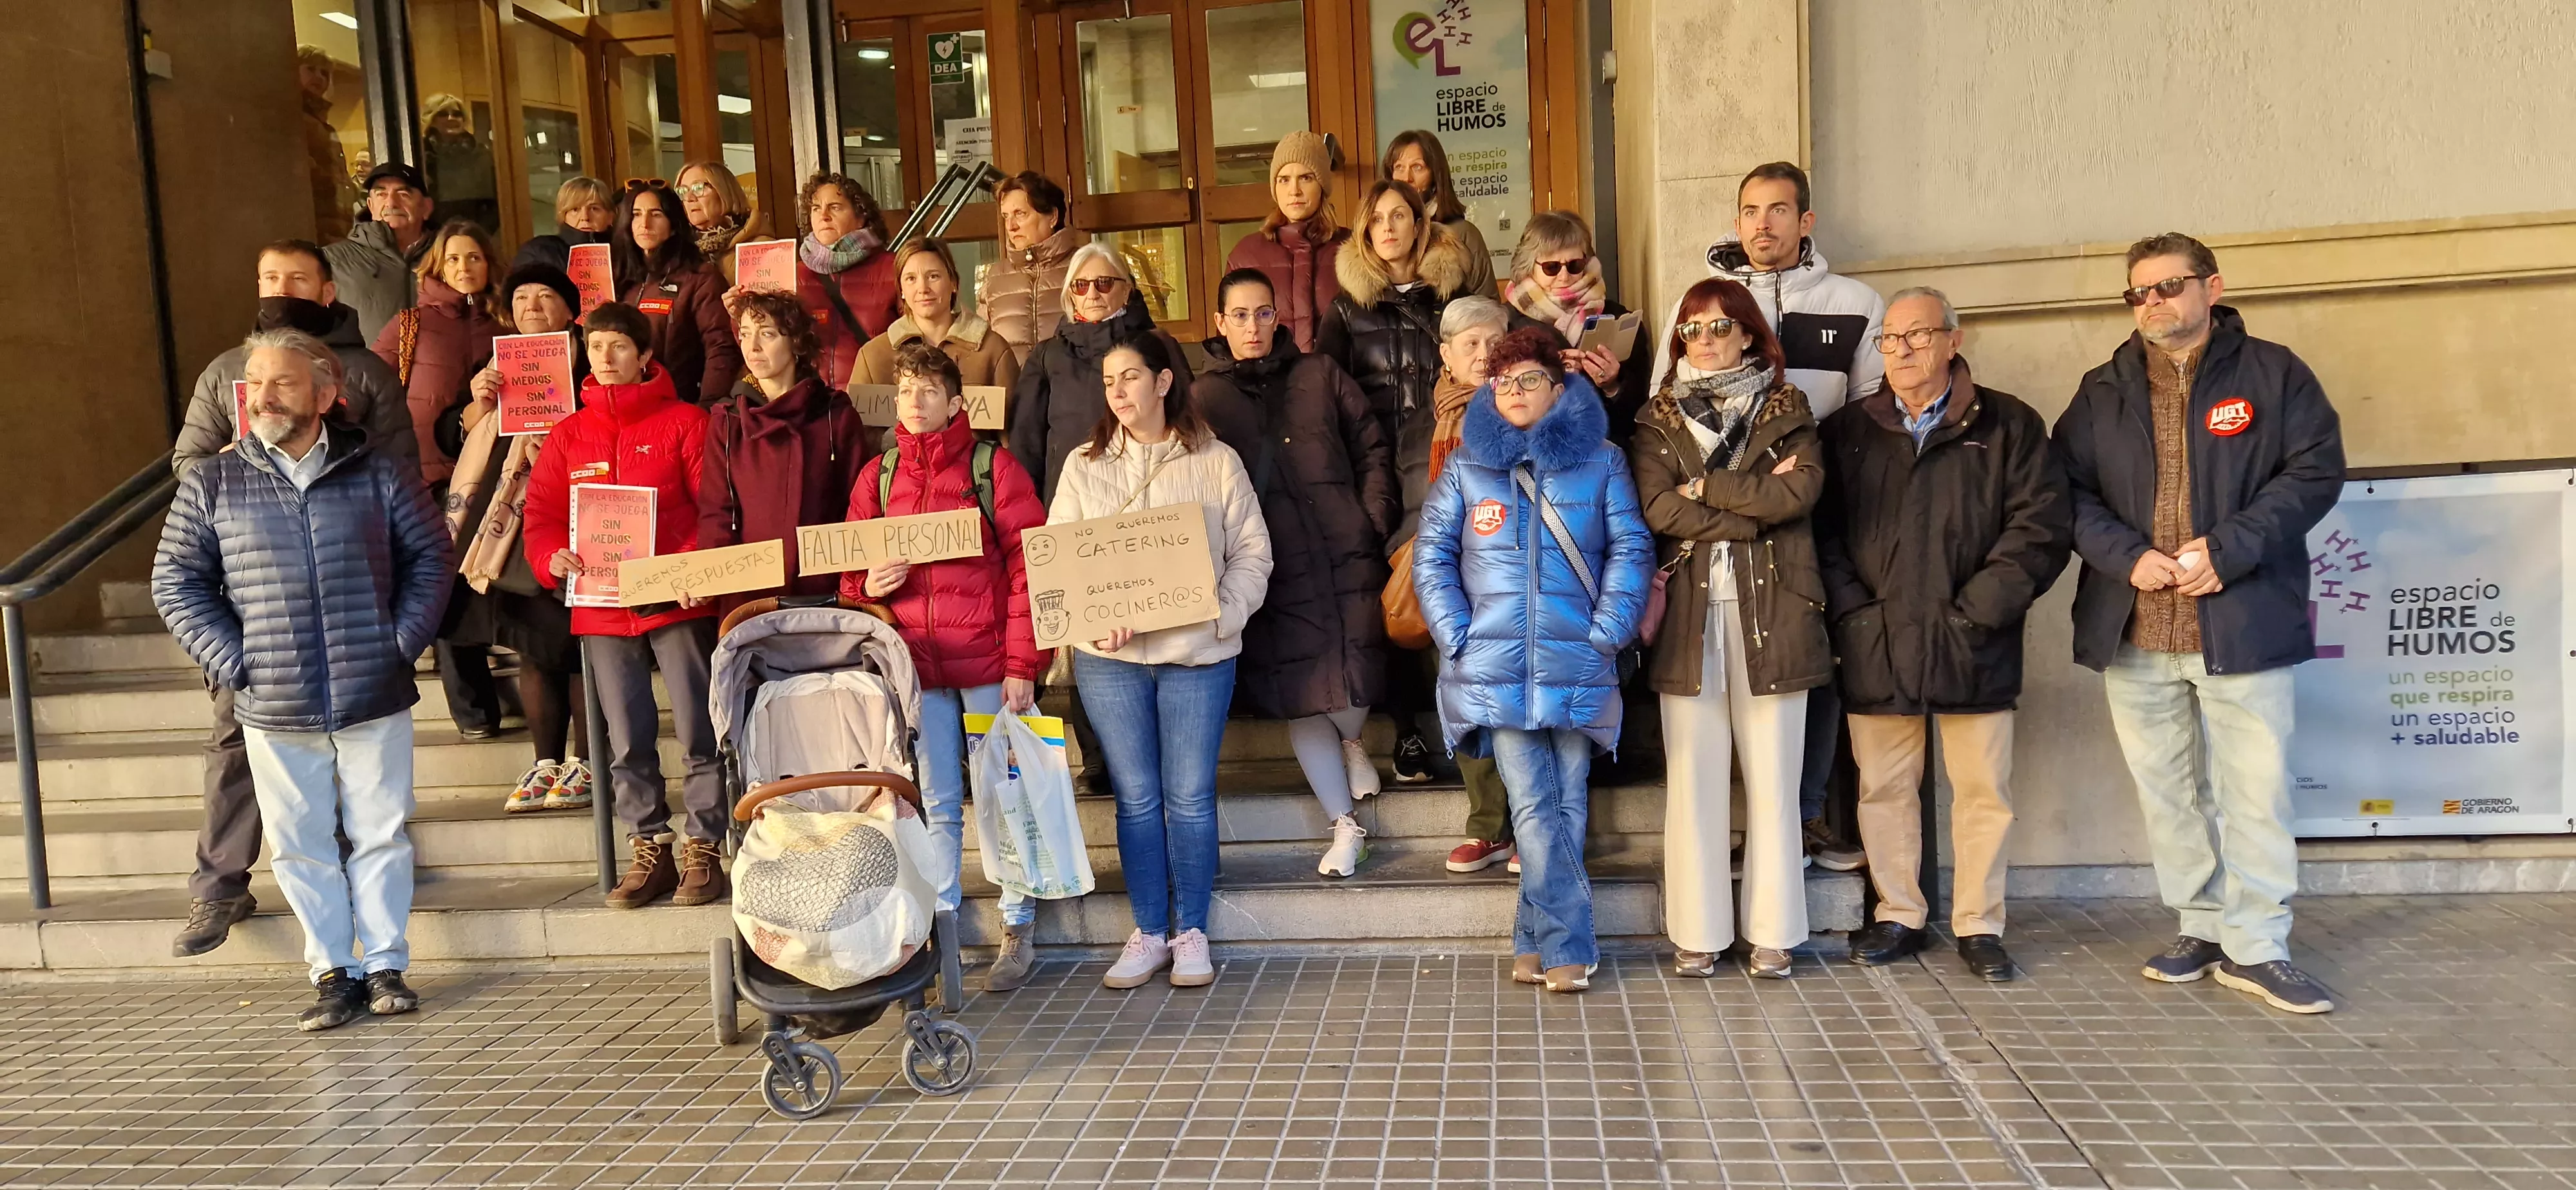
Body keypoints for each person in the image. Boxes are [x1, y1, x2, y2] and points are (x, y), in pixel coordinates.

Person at [2053, 234, 2346, 1015]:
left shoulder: (2274, 374)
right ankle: (2201, 925)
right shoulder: (2101, 390)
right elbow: (2065, 493)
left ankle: (2259, 945)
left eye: (2168, 286)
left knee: (2253, 792)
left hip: (2240, 621)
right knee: (2169, 794)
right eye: (2138, 291)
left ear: (2211, 287)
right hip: (2137, 628)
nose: (2152, 302)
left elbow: (2315, 472)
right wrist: (2125, 558)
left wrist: (2230, 549)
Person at [151, 328, 452, 1030]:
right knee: (299, 842)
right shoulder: (213, 479)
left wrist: (397, 643)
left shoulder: (378, 470)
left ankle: (385, 965)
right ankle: (333, 974)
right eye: (254, 384)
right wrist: (236, 661)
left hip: (371, 685)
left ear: (325, 394)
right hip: (271, 696)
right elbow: (175, 582)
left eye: (281, 382)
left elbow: (432, 561)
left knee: (381, 832)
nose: (262, 396)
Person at [165, 240, 421, 958]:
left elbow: (401, 484)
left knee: (362, 781)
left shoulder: (365, 372)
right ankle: (219, 883)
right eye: (270, 277)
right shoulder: (226, 373)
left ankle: (373, 941)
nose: (282, 288)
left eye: (297, 278)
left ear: (328, 288)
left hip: (352, 612)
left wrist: (399, 635)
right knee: (231, 742)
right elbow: (188, 466)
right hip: (254, 604)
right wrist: (231, 651)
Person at [1813, 287, 2072, 982]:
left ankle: (1979, 924)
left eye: (1917, 336)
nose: (1901, 351)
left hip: (1973, 640)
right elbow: (1824, 534)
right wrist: (1856, 616)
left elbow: (2039, 529)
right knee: (1884, 788)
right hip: (1879, 639)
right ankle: (1898, 912)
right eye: (1890, 339)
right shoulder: (1848, 431)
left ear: (1954, 341)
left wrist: (1979, 610)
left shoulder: (2009, 424)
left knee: (1983, 789)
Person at [1656, 161, 1888, 876]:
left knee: (1805, 668)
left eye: (1778, 210)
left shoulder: (1853, 302)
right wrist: (1740, 495)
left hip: (1822, 511)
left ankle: (1805, 814)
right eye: (1750, 211)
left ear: (1805, 221)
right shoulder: (1697, 304)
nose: (1762, 224)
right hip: (1736, 529)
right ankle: (1744, 823)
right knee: (1726, 679)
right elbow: (1666, 428)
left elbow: (1872, 410)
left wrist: (1802, 477)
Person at [1415, 326, 1652, 994]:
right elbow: (1430, 557)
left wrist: (1608, 628)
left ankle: (1531, 938)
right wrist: (1457, 634)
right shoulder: (1467, 466)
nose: (1515, 392)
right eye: (1503, 381)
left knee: (1565, 803)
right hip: (1494, 666)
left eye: (1528, 379)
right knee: (1531, 807)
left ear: (1558, 385)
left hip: (1578, 657)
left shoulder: (1601, 460)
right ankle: (1570, 945)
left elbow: (1631, 548)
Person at [1048, 333, 1271, 991]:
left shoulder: (1215, 460)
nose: (1117, 392)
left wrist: (1218, 617)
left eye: (1130, 378)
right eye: (1109, 381)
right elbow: (1060, 560)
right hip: (1109, 661)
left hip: (1196, 657)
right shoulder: (1083, 466)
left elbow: (1253, 554)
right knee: (1137, 799)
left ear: (1164, 382)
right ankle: (1148, 929)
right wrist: (1092, 618)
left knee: (1190, 798)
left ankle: (1191, 930)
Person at [1629, 278, 1828, 979]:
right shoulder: (1655, 419)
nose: (1707, 341)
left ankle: (1774, 930)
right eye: (1693, 330)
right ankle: (1699, 930)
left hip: (1776, 608)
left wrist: (1708, 488)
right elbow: (1657, 508)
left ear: (1748, 333)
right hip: (1689, 613)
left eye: (1720, 328)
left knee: (1775, 778)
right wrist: (1753, 507)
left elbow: (1798, 494)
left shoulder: (1787, 407)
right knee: (1694, 778)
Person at [841, 342, 1050, 992]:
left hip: (990, 664)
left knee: (1004, 795)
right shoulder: (878, 476)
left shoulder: (993, 467)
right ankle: (945, 928)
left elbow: (1032, 568)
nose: (917, 400)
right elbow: (852, 578)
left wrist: (1024, 663)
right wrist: (870, 584)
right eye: (906, 389)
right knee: (935, 802)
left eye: (930, 389)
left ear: (957, 402)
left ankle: (1018, 924)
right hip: (917, 671)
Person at [521, 301, 727, 910]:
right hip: (603, 605)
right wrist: (552, 556)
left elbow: (711, 507)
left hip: (675, 599)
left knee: (698, 727)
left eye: (617, 347)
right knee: (626, 736)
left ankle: (705, 845)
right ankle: (650, 846)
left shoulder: (686, 422)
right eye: (595, 348)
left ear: (644, 356)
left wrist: (689, 567)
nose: (605, 359)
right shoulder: (568, 433)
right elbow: (542, 517)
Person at [1196, 269, 1395, 877]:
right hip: (1270, 563)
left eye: (1263, 314)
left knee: (1359, 661)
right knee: (1302, 696)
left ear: (1277, 316)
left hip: (1343, 547)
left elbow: (1371, 445)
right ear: (1220, 323)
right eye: (1239, 316)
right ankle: (1344, 825)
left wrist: (1373, 517)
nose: (1252, 327)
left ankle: (1354, 740)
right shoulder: (1205, 396)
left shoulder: (1319, 373)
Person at [1317, 179, 1473, 784]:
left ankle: (1466, 729)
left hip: (1448, 459)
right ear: (1364, 232)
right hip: (1381, 466)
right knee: (1398, 595)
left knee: (1459, 588)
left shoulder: (1451, 297)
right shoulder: (1347, 308)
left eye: (1399, 215)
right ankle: (1408, 730)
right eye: (1376, 218)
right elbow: (1326, 394)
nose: (1388, 227)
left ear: (1420, 226)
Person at [451, 263, 594, 815]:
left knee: (575, 643)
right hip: (508, 529)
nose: (531, 305)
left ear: (568, 308)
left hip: (576, 514)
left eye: (544, 295)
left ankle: (585, 761)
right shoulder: (495, 361)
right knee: (532, 643)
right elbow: (465, 432)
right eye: (521, 297)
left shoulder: (593, 356)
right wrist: (480, 402)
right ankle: (545, 762)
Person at [374, 218, 508, 739]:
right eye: (453, 259)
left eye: (473, 257)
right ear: (436, 266)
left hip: (498, 475)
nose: (464, 267)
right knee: (446, 589)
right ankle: (473, 710)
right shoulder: (410, 325)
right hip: (431, 475)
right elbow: (373, 390)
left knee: (494, 583)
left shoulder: (508, 320)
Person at [1401, 296, 1517, 872]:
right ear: (1445, 354)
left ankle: (1533, 826)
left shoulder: (1528, 408)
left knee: (1525, 704)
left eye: (1492, 342)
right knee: (1467, 700)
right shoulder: (1426, 420)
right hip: (1452, 578)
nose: (1481, 354)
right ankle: (1488, 826)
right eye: (1468, 344)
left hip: (1517, 580)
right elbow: (1408, 496)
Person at [698, 289, 869, 618]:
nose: (753, 347)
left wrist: (857, 582)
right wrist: (709, 577)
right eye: (745, 334)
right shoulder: (726, 420)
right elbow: (717, 513)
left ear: (796, 342)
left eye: (767, 334)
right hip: (751, 598)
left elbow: (859, 507)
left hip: (826, 592)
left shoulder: (836, 414)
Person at [1007, 244, 1195, 504]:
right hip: (1072, 501)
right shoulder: (1048, 355)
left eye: (1104, 283)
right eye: (1081, 286)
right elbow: (1026, 444)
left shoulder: (1159, 345)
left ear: (1127, 289)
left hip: (1155, 495)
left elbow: (1187, 419)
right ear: (1071, 295)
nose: (1092, 294)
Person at [1504, 211, 1653, 438]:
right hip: (1532, 452)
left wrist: (1613, 386)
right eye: (1552, 267)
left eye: (1574, 265)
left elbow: (1641, 410)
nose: (1564, 277)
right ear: (1529, 267)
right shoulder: (1506, 322)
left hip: (1603, 450)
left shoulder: (1617, 317)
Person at [612, 178, 741, 405]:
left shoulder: (701, 278)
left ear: (673, 225)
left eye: (656, 214)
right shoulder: (623, 279)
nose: (645, 223)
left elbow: (721, 348)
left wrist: (708, 408)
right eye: (636, 214)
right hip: (629, 408)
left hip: (682, 405)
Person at [1224, 132, 1348, 351]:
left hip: (1338, 380)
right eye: (1284, 180)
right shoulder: (1245, 254)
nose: (1294, 191)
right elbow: (1231, 338)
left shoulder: (1352, 247)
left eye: (1306, 178)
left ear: (1322, 185)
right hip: (1268, 383)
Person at [853, 238, 1023, 391]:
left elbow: (1017, 421)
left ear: (954, 283)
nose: (923, 289)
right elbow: (858, 424)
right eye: (911, 279)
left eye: (933, 276)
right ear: (901, 290)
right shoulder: (873, 356)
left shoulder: (993, 350)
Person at [791, 171, 902, 387]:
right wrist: (737, 316)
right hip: (815, 405)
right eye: (816, 209)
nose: (823, 216)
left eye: (835, 207)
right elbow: (765, 346)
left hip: (877, 404)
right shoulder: (794, 273)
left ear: (861, 217)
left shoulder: (894, 268)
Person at [977, 171, 1083, 363]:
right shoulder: (995, 277)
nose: (1011, 226)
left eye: (1020, 214)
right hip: (1014, 390)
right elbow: (983, 352)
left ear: (1052, 216)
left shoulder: (1084, 266)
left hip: (1072, 390)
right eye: (1005, 216)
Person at [328, 162, 439, 341]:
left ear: (426, 208)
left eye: (403, 194)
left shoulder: (451, 258)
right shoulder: (334, 260)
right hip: (366, 369)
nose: (391, 203)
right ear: (371, 206)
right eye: (382, 194)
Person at [1382, 130, 1495, 298]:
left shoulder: (1463, 234)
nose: (1406, 178)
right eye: (1399, 167)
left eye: (1417, 167)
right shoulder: (1380, 233)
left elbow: (1489, 306)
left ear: (1435, 175)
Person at [678, 160, 766, 287]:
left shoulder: (760, 248)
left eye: (698, 188)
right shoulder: (679, 248)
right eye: (683, 191)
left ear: (724, 192)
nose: (689, 198)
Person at [296, 46, 354, 241]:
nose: (319, 77)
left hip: (335, 230)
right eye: (311, 69)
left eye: (325, 73)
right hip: (310, 229)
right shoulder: (294, 119)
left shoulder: (323, 126)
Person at [421, 93, 500, 233]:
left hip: (473, 235)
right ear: (431, 120)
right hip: (429, 238)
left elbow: (495, 203)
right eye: (443, 114)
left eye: (457, 114)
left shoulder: (481, 154)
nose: (451, 118)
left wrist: (478, 233)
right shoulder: (418, 154)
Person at [511, 176, 617, 276]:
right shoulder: (538, 252)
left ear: (610, 216)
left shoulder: (625, 253)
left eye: (594, 209)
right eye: (575, 210)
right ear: (563, 216)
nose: (585, 217)